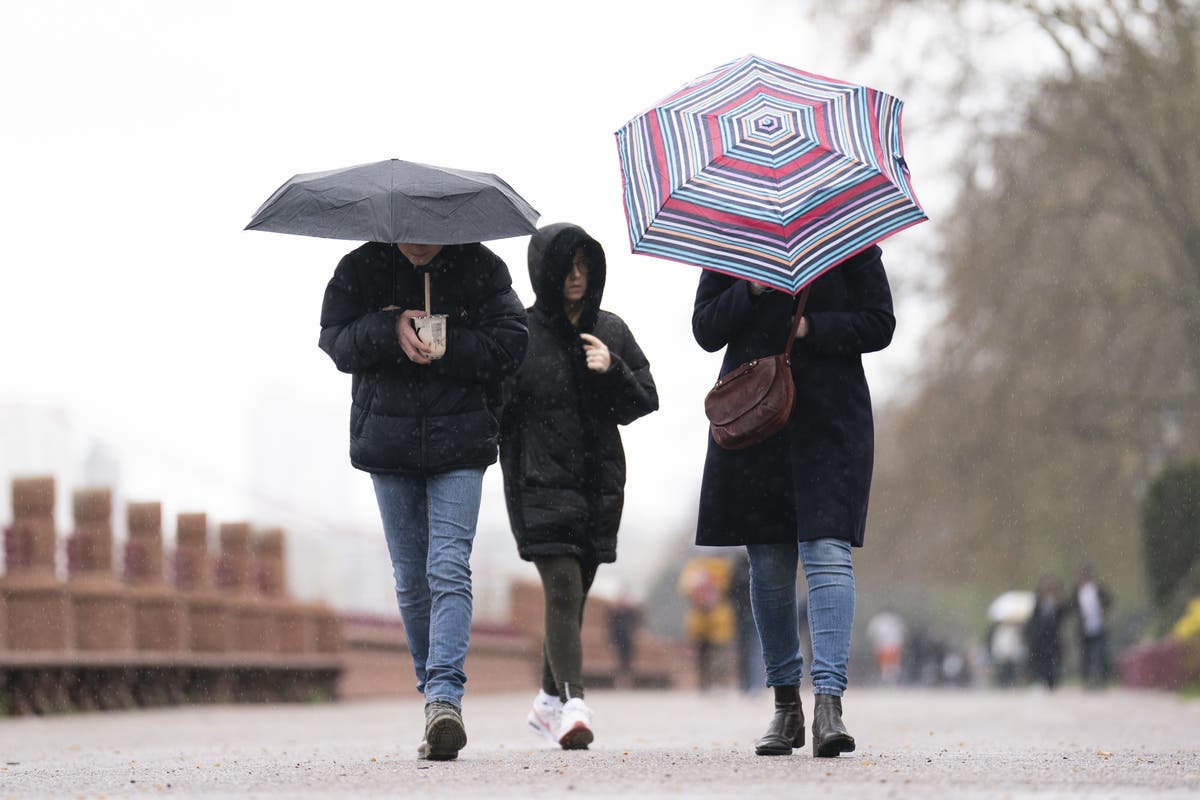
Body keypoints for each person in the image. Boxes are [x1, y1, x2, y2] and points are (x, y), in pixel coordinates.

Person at [319, 240, 528, 760]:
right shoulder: (361, 267)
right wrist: (388, 328)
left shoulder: (481, 268)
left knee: (449, 566)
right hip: (388, 443)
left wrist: (448, 339)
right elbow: (334, 340)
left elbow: (512, 344)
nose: (417, 241)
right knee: (411, 579)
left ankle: (444, 697)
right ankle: (432, 697)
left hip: (461, 440)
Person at [692, 245, 894, 758]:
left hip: (831, 418)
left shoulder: (846, 235)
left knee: (828, 552)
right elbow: (705, 328)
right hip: (757, 417)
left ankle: (829, 703)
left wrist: (811, 328)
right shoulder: (734, 237)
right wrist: (750, 288)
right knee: (769, 563)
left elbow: (880, 323)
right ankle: (786, 706)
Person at [498, 222, 658, 749]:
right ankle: (573, 705)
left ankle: (547, 702)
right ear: (544, 272)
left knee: (574, 597)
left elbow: (645, 400)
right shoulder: (519, 334)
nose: (576, 276)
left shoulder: (610, 329)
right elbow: (495, 412)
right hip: (538, 485)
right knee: (564, 589)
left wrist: (611, 370)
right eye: (566, 266)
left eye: (585, 265)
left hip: (598, 488)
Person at [678, 555, 736, 690]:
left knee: (716, 654)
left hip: (717, 621)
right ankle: (708, 683)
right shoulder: (698, 567)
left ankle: (714, 682)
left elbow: (685, 588)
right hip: (703, 621)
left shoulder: (699, 567)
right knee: (705, 654)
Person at [1072, 563, 1114, 688]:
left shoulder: (1098, 589)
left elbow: (1109, 601)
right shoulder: (1077, 592)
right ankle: (1087, 681)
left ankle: (1101, 680)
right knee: (1086, 656)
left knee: (1100, 654)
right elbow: (1072, 606)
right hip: (1084, 629)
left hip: (1098, 627)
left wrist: (1102, 609)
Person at [1025, 576, 1069, 690]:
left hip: (1054, 637)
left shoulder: (1058, 603)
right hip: (1041, 637)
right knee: (1041, 660)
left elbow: (1063, 615)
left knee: (1054, 659)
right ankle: (1042, 679)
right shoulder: (1038, 602)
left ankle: (1052, 681)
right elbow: (1034, 619)